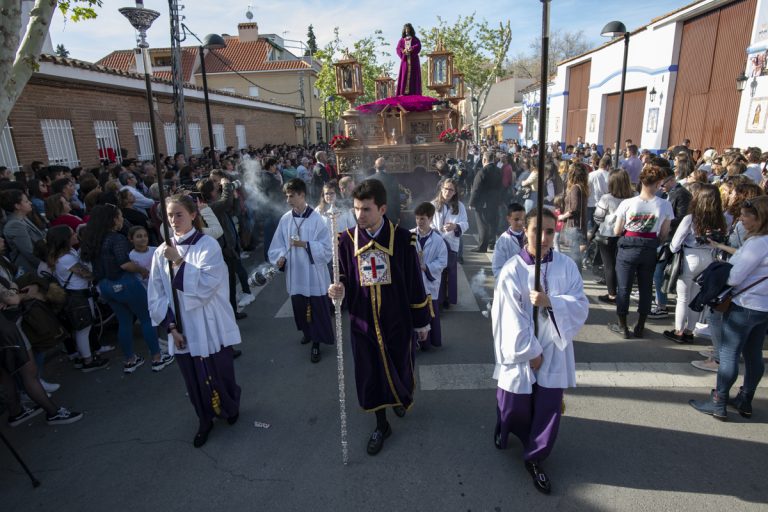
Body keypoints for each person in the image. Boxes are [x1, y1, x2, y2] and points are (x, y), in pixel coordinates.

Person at [327, 179, 431, 456]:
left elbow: (414, 283)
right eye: (356, 209)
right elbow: (343, 275)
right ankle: (381, 424)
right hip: (363, 323)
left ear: (382, 209)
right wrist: (337, 288)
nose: (359, 216)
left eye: (366, 210)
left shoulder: (403, 239)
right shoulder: (346, 241)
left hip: (397, 321)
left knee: (399, 368)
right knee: (371, 373)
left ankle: (398, 396)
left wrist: (422, 321)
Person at [492, 208, 589, 494]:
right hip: (524, 351)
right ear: (525, 230)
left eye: (550, 231)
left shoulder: (566, 266)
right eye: (538, 230)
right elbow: (509, 317)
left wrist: (551, 302)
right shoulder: (513, 269)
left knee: (548, 405)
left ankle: (535, 457)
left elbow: (580, 304)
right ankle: (504, 426)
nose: (544, 237)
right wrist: (530, 351)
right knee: (514, 404)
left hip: (555, 346)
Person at [148, 194, 242, 447]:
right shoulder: (160, 253)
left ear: (193, 215)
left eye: (179, 214)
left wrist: (178, 260)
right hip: (181, 328)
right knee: (193, 377)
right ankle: (204, 418)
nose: (174, 220)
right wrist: (171, 328)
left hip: (209, 322)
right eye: (169, 215)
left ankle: (230, 406)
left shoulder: (207, 245)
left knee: (219, 370)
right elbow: (156, 294)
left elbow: (206, 286)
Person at [689, 196, 768, 420]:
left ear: (759, 218)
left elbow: (734, 278)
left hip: (745, 305)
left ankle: (719, 401)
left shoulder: (757, 243)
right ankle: (745, 397)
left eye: (745, 216)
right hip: (763, 307)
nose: (741, 220)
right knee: (753, 354)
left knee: (729, 353)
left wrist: (721, 270)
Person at [80, 204, 174, 373]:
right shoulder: (116, 238)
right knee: (146, 318)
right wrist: (142, 270)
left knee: (124, 322)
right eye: (120, 216)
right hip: (124, 283)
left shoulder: (92, 239)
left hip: (105, 286)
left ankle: (130, 360)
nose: (122, 219)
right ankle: (157, 357)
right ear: (112, 219)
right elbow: (125, 264)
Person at [268, 178, 334, 363]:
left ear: (302, 195)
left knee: (316, 308)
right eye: (286, 196)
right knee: (299, 306)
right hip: (296, 272)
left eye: (292, 196)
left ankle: (316, 343)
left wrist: (304, 244)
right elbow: (278, 245)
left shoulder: (317, 219)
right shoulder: (286, 219)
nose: (288, 199)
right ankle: (307, 332)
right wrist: (280, 257)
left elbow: (327, 249)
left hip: (313, 274)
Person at [609, 164, 674, 339]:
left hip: (628, 245)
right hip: (649, 247)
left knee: (623, 288)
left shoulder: (628, 203)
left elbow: (616, 231)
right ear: (658, 183)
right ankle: (640, 325)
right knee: (646, 288)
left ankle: (622, 325)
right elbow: (664, 233)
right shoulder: (664, 205)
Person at [663, 184, 726, 348]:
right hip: (708, 257)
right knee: (696, 298)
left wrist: (672, 252)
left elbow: (675, 243)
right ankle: (690, 331)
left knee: (682, 298)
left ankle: (678, 331)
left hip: (690, 256)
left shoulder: (690, 218)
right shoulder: (721, 219)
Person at [46, 225, 109, 372]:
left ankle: (86, 355)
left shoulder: (68, 254)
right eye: (72, 234)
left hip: (79, 295)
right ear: (64, 240)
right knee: (83, 329)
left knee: (84, 328)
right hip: (77, 297)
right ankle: (87, 360)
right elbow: (86, 274)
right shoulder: (66, 258)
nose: (75, 235)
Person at [594, 170, 634, 304]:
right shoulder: (634, 197)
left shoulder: (607, 198)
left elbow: (598, 217)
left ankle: (612, 294)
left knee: (609, 265)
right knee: (622, 265)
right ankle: (623, 293)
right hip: (628, 233)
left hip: (608, 234)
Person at [411, 202, 447, 350]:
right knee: (413, 310)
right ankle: (413, 343)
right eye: (417, 218)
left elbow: (442, 261)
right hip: (413, 280)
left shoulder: (438, 240)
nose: (419, 222)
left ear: (431, 219)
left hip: (428, 280)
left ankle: (428, 343)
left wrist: (427, 267)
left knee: (429, 311)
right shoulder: (410, 235)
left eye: (423, 219)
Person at [431, 177, 468, 308]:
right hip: (436, 243)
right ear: (441, 189)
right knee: (438, 271)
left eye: (451, 190)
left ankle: (448, 299)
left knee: (450, 272)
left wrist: (455, 226)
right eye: (446, 189)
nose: (448, 192)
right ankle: (438, 300)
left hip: (451, 242)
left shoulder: (460, 206)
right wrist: (435, 231)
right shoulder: (433, 204)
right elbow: (428, 224)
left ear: (455, 192)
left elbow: (465, 223)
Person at [2, 190, 45, 274]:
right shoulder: (14, 224)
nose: (30, 203)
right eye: (26, 201)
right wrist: (45, 266)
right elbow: (29, 252)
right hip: (31, 268)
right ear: (17, 206)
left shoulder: (22, 218)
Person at [558, 163, 590, 271]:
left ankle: (576, 282)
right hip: (577, 226)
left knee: (574, 258)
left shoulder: (576, 188)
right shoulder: (582, 187)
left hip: (573, 226)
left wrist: (562, 216)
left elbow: (574, 209)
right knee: (575, 258)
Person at [469, 152, 503, 252]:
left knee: (482, 224)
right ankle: (492, 243)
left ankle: (482, 246)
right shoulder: (499, 171)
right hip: (495, 201)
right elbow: (501, 187)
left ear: (484, 160)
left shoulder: (482, 171)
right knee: (492, 222)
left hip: (483, 202)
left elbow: (476, 188)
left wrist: (471, 202)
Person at [492, 203, 526, 278]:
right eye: (516, 219)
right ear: (508, 219)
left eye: (523, 219)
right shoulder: (503, 240)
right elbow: (497, 268)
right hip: (511, 281)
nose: (520, 222)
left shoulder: (531, 236)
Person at [369, 157, 401, 225]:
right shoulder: (392, 179)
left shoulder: (369, 180)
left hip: (374, 215)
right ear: (386, 167)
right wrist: (398, 215)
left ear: (375, 167)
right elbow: (397, 199)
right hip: (390, 215)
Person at [396, 23, 422, 96]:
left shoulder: (415, 39)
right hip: (405, 62)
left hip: (413, 61)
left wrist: (411, 49)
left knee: (414, 77)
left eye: (408, 30)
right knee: (404, 75)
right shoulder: (401, 40)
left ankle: (414, 93)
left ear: (411, 30)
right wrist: (403, 51)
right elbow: (398, 48)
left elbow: (418, 45)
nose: (407, 31)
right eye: (406, 30)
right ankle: (403, 93)